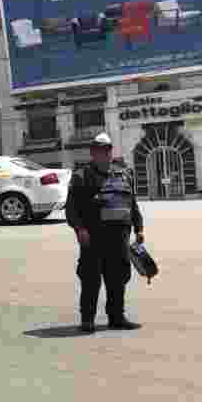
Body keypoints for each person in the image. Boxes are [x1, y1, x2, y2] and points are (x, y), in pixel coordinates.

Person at [65, 132, 145, 334]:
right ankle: (87, 320)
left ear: (111, 151)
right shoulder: (81, 176)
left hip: (119, 239)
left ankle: (117, 318)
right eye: (99, 150)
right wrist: (80, 229)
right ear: (93, 153)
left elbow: (131, 204)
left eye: (107, 149)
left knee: (118, 279)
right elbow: (71, 209)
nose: (104, 153)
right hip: (93, 239)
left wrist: (139, 229)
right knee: (91, 280)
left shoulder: (125, 174)